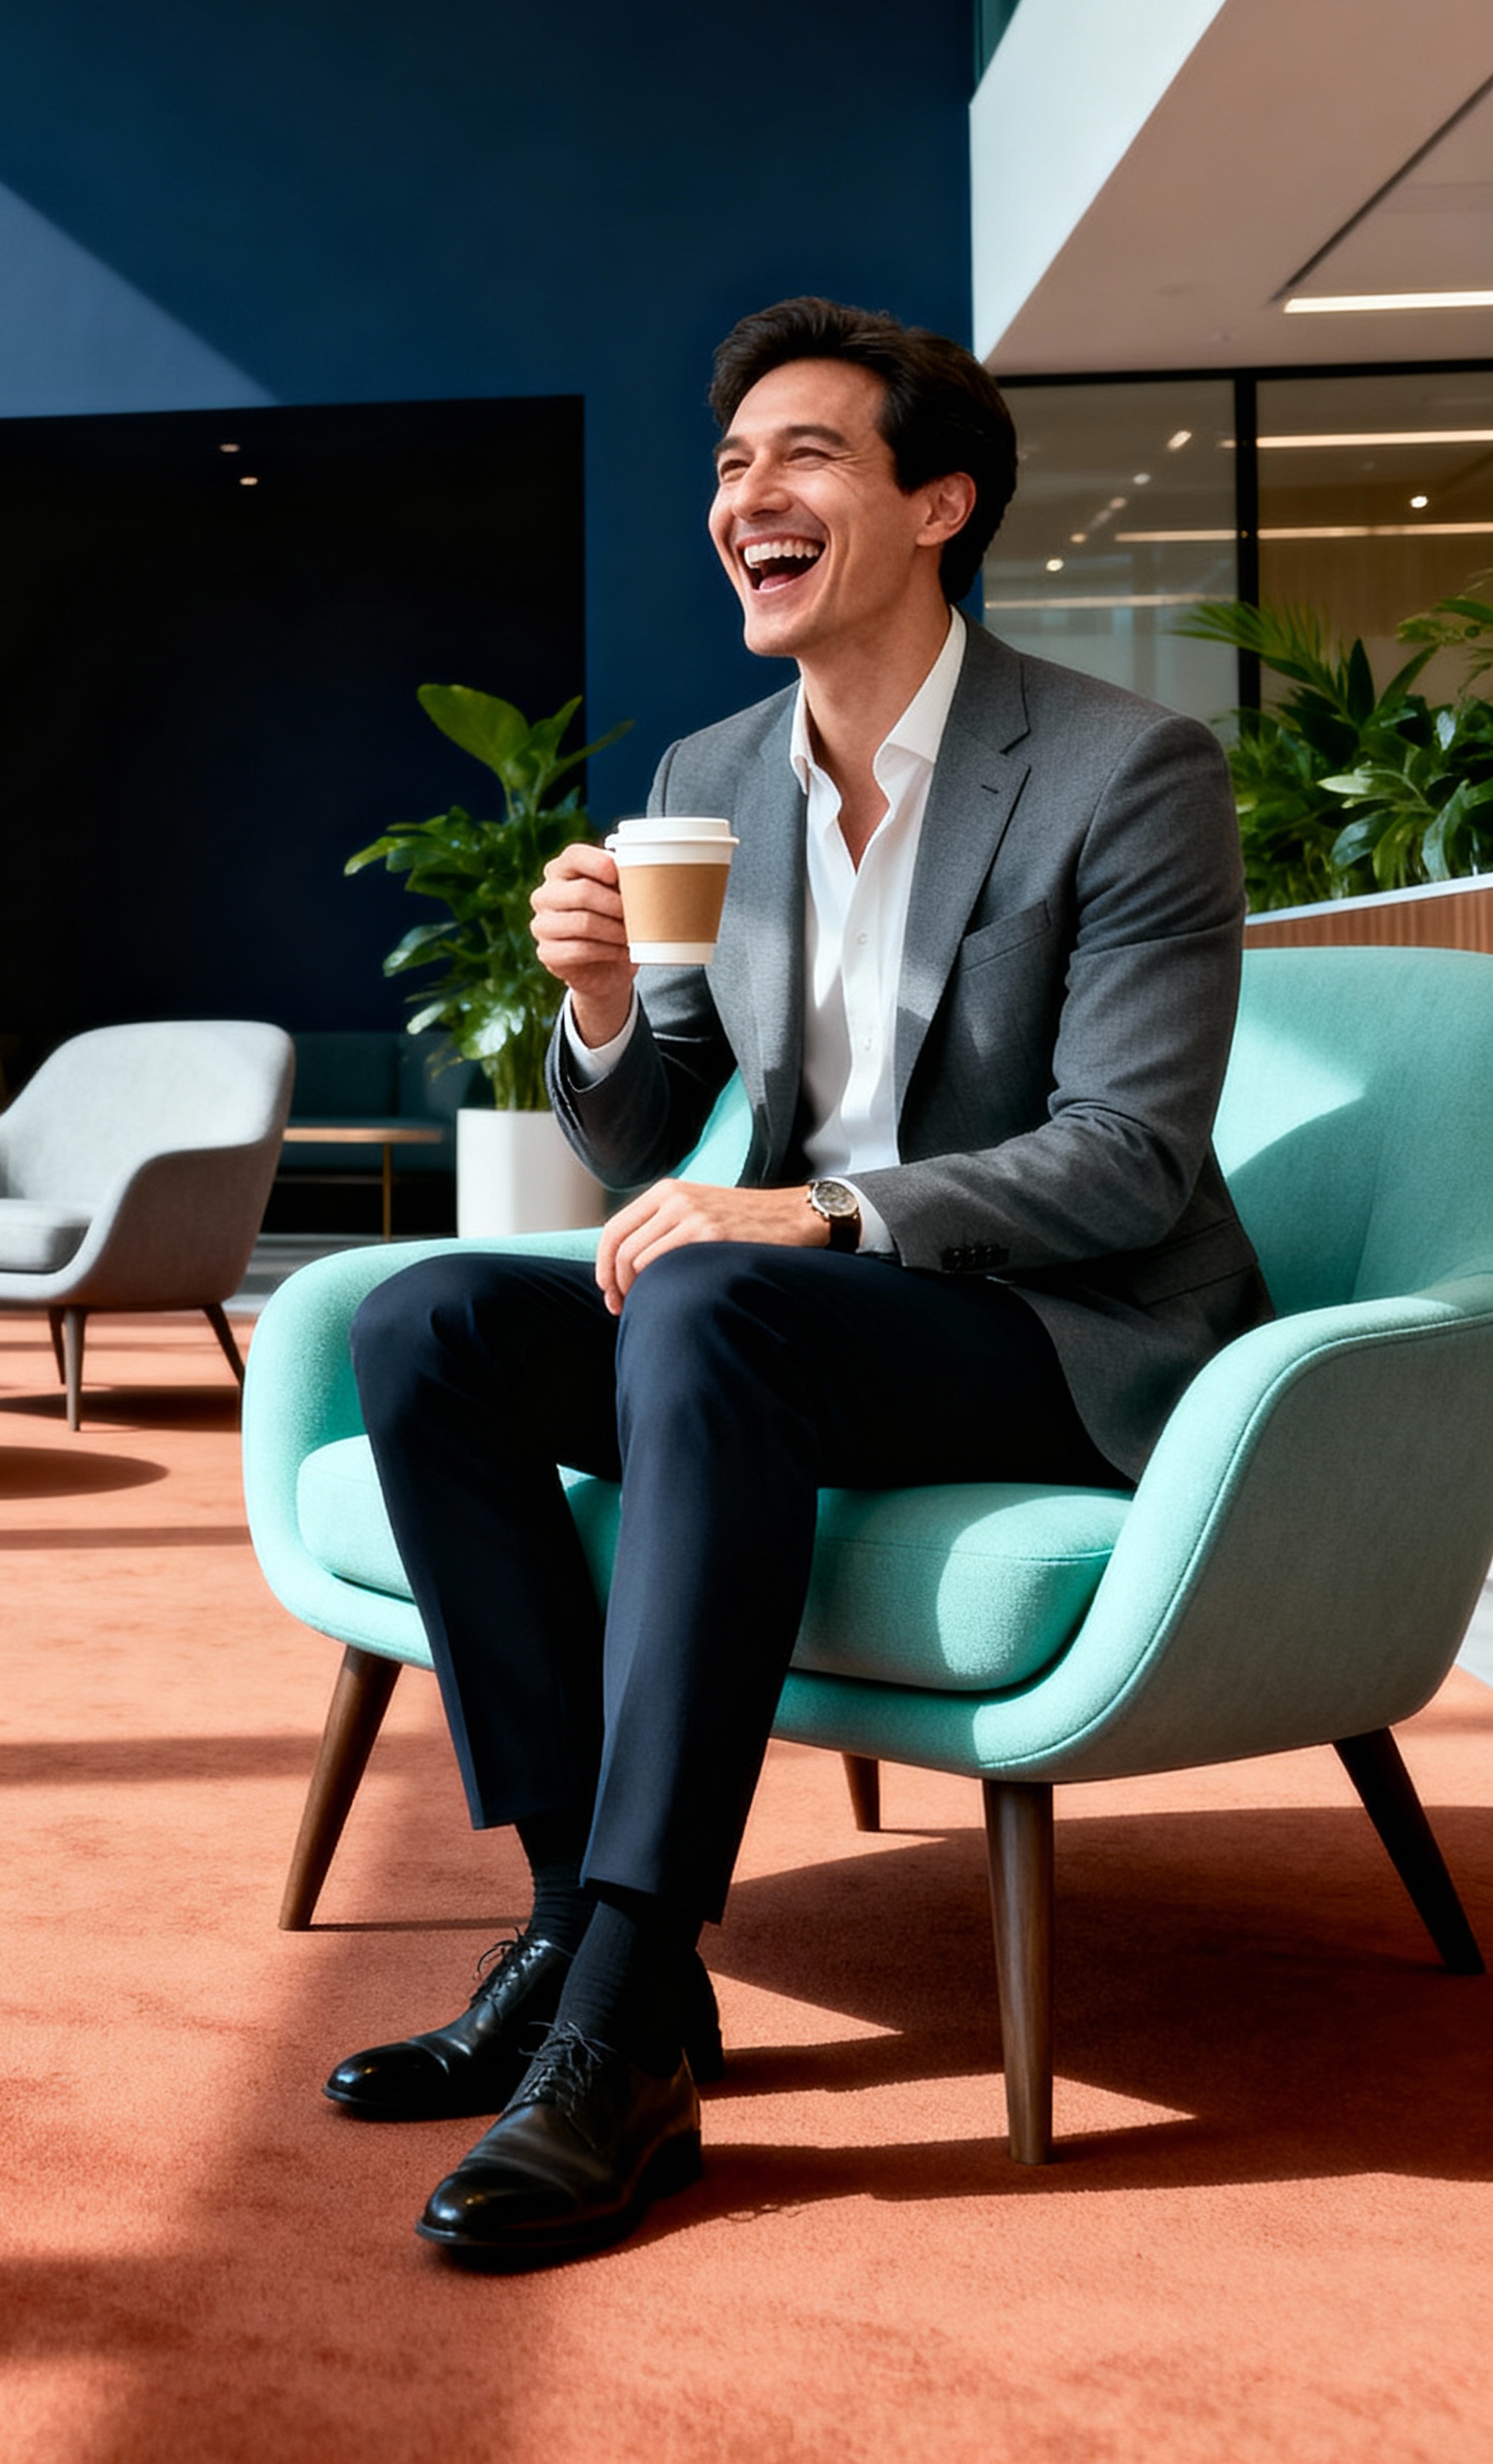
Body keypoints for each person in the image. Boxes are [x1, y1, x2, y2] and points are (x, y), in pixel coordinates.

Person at [328, 296, 1270, 2268]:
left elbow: (1133, 1158)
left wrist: (831, 1219)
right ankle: (585, 1934)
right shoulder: (716, 772)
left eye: (804, 454)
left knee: (713, 1298)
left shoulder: (1123, 769)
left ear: (940, 503)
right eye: (731, 464)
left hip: (1047, 1329)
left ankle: (619, 2015)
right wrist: (596, 1005)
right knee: (418, 1322)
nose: (748, 492)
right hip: (766, 1329)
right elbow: (647, 1117)